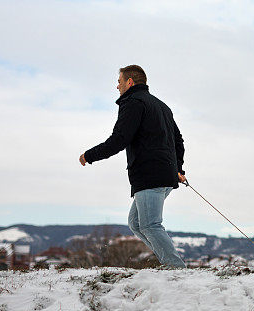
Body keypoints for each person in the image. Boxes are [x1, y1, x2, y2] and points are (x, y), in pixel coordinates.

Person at [79, 65, 187, 268]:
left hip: (150, 173)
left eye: (119, 81)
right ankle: (170, 264)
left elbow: (120, 138)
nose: (116, 86)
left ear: (130, 82)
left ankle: (175, 268)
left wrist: (90, 155)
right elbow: (178, 140)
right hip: (164, 174)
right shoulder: (161, 106)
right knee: (136, 223)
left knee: (150, 224)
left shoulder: (133, 102)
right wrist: (178, 169)